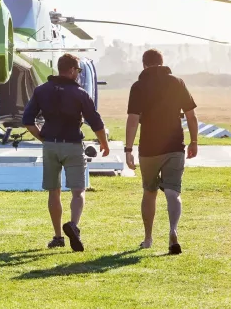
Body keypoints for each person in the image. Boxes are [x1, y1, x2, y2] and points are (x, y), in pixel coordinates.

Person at [22, 53, 110, 252]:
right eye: (78, 70)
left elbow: (28, 120)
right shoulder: (79, 94)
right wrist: (104, 143)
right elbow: (95, 122)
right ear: (71, 70)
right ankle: (74, 226)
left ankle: (57, 236)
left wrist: (42, 138)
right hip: (72, 144)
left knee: (54, 191)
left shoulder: (41, 90)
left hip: (50, 145)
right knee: (78, 191)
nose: (78, 74)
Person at [125, 49, 198, 255]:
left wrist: (128, 149)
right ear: (162, 62)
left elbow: (132, 120)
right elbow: (191, 116)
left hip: (149, 149)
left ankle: (148, 239)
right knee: (173, 192)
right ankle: (173, 231)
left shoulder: (138, 86)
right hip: (175, 146)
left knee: (149, 192)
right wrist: (194, 141)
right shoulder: (177, 82)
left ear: (144, 65)